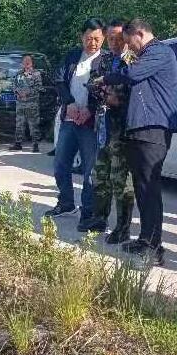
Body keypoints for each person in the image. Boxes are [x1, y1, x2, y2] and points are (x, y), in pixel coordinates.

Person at [103, 19, 177, 266]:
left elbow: (132, 73)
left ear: (139, 33)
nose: (129, 48)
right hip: (140, 128)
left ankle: (154, 248)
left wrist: (105, 78)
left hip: (153, 129)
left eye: (129, 42)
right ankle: (146, 239)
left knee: (149, 188)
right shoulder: (147, 54)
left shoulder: (159, 51)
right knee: (142, 187)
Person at [44, 18, 105, 225]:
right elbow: (59, 80)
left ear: (103, 38)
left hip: (91, 123)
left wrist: (90, 109)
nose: (92, 43)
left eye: (97, 39)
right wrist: (68, 102)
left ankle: (88, 211)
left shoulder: (105, 60)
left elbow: (106, 90)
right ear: (82, 37)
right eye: (89, 38)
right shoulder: (72, 56)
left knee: (90, 170)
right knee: (61, 163)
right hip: (69, 119)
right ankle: (66, 203)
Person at [83, 19, 136, 239]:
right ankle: (99, 218)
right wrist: (102, 94)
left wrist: (117, 99)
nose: (114, 42)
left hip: (122, 129)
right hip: (103, 126)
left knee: (120, 179)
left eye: (119, 38)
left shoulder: (132, 60)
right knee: (100, 175)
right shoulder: (105, 59)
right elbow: (93, 83)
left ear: (127, 37)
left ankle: (123, 228)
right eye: (111, 38)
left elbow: (136, 91)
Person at [11, 54, 43, 152]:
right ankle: (18, 143)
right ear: (22, 63)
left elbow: (39, 87)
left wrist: (27, 93)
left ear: (32, 62)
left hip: (32, 103)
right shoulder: (19, 74)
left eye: (28, 60)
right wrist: (17, 92)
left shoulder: (36, 74)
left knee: (33, 124)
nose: (27, 62)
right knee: (19, 123)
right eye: (25, 61)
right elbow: (14, 85)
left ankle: (35, 145)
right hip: (20, 103)